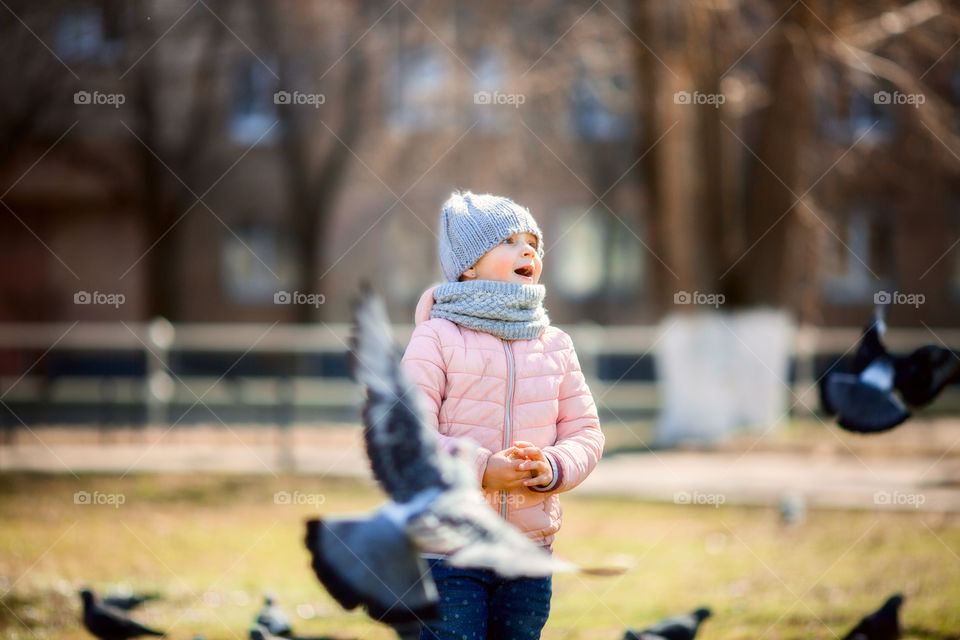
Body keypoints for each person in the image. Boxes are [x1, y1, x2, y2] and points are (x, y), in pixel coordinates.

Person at [401, 191, 604, 640]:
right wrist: (480, 470)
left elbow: (586, 431)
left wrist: (552, 466)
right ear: (468, 266)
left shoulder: (555, 345)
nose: (527, 249)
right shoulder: (436, 337)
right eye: (509, 241)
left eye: (532, 242)